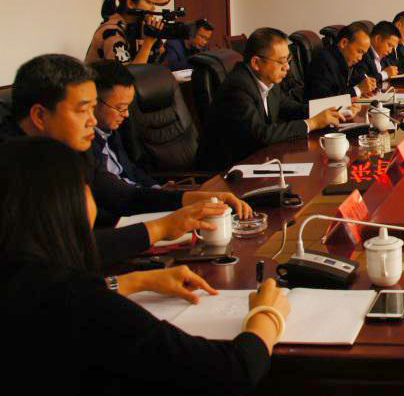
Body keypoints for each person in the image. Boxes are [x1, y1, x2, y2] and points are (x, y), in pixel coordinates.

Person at [0, 137, 290, 394]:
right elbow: (231, 373)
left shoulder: (25, 280)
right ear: (63, 205)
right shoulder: (82, 302)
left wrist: (133, 281)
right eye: (86, 189)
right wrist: (267, 315)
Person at [3, 54, 245, 266]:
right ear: (40, 116)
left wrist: (190, 198)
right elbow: (62, 251)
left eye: (93, 109)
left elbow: (122, 196)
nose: (92, 121)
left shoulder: (69, 148)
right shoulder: (11, 171)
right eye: (82, 110)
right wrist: (160, 228)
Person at [196, 28, 343, 172]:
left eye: (288, 60)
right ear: (256, 63)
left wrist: (334, 109)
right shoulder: (237, 87)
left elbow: (290, 108)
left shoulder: (266, 80)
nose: (287, 67)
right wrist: (313, 123)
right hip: (226, 173)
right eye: (281, 61)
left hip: (258, 160)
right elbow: (260, 134)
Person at [89, 61, 156, 188]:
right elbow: (112, 193)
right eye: (120, 108)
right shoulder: (85, 143)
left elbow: (129, 168)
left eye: (128, 107)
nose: (126, 114)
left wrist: (156, 188)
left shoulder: (111, 130)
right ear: (94, 102)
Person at [86, 0, 170, 65]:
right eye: (148, 2)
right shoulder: (111, 31)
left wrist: (157, 40)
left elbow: (163, 64)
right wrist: (148, 42)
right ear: (130, 3)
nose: (153, 8)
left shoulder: (137, 27)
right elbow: (127, 72)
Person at [304, 23, 375, 100]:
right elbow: (324, 99)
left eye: (363, 54)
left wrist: (363, 89)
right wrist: (358, 89)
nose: (360, 58)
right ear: (344, 43)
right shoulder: (323, 61)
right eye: (359, 51)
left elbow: (347, 86)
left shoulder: (346, 61)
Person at [357, 20, 400, 88]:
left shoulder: (383, 57)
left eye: (392, 47)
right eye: (389, 45)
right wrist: (385, 74)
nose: (390, 51)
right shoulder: (363, 54)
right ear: (378, 39)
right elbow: (363, 82)